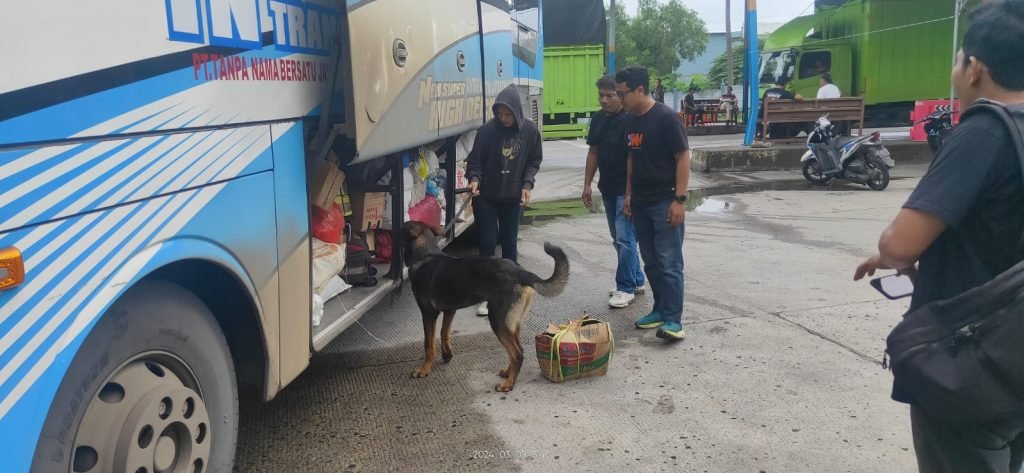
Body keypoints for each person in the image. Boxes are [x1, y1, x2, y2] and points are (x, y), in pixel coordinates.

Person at [853, 2, 1024, 471]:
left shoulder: (984, 131)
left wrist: (894, 255)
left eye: (958, 61)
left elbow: (900, 243)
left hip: (972, 361)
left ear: (975, 69)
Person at [615, 66, 690, 341]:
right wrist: (629, 195)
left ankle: (673, 320)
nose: (619, 99)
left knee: (669, 261)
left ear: (640, 90)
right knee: (651, 262)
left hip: (665, 200)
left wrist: (679, 199)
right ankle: (659, 310)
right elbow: (632, 158)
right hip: (641, 203)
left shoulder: (666, 118)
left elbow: (683, 157)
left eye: (622, 93)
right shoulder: (630, 120)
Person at [466, 84, 543, 316]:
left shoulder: (530, 131)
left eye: (508, 114)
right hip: (487, 196)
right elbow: (475, 162)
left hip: (512, 196)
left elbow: (533, 160)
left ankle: (511, 291)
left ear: (517, 111)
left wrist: (527, 184)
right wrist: (474, 179)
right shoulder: (487, 131)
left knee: (509, 244)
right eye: (499, 114)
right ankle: (487, 294)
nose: (503, 118)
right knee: (488, 244)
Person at [582, 75, 646, 308]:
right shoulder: (598, 120)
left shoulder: (631, 120)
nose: (604, 100)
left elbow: (634, 158)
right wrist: (587, 184)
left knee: (625, 238)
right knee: (618, 239)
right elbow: (593, 153)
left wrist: (630, 194)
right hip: (607, 188)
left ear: (620, 96)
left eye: (610, 95)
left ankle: (625, 287)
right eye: (601, 95)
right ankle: (636, 279)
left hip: (626, 190)